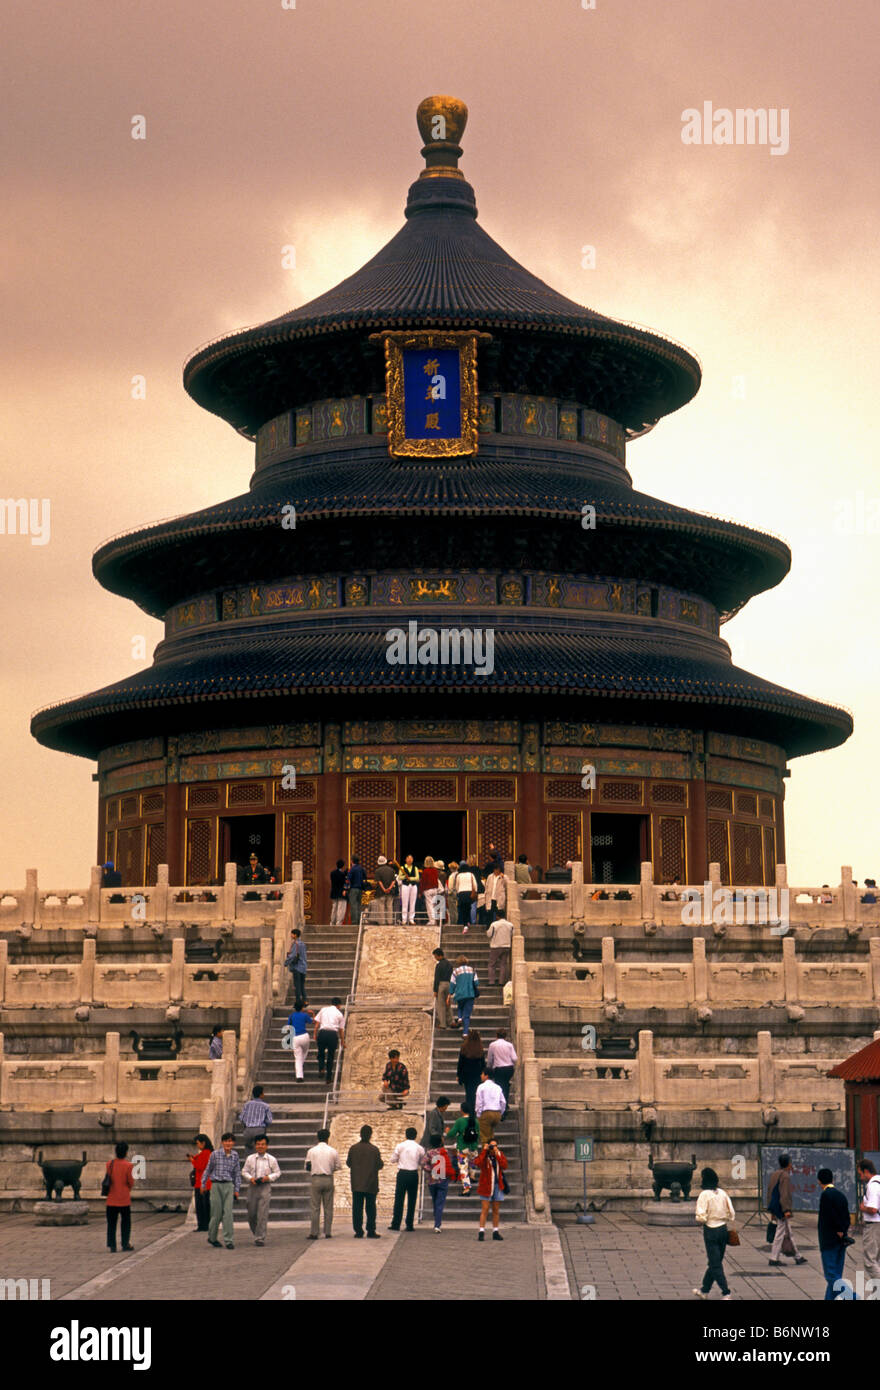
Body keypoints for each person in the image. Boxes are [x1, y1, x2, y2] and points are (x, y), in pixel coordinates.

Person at [692, 1167, 735, 1299]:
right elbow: (731, 1212)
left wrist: (703, 1219)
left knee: (715, 1263)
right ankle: (704, 1290)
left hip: (710, 1229)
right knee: (715, 1261)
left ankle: (726, 1292)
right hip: (723, 1229)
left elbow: (700, 1216)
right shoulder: (722, 1193)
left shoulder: (704, 1195)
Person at [817, 1167, 855, 1299]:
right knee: (836, 1276)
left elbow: (830, 1217)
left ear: (819, 1181)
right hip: (841, 1241)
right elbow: (847, 1217)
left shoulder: (825, 1195)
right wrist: (843, 1230)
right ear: (833, 1179)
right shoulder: (841, 1195)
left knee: (831, 1276)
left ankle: (852, 1296)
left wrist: (838, 1229)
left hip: (829, 1241)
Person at [766, 1153, 807, 1266]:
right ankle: (774, 1258)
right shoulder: (785, 1176)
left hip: (775, 1207)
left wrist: (771, 1210)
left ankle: (798, 1256)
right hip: (781, 1208)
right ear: (788, 1164)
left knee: (788, 1231)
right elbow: (785, 1194)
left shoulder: (775, 1174)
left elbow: (770, 1192)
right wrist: (786, 1209)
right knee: (780, 1233)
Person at [241, 1134, 281, 1245]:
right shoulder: (250, 1158)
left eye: (263, 1144)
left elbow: (278, 1172)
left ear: (266, 1146)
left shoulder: (271, 1159)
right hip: (253, 1186)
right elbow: (244, 1171)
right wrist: (250, 1178)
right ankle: (256, 1232)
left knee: (262, 1213)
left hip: (265, 1186)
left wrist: (268, 1178)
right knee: (251, 1214)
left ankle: (260, 1237)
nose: (260, 1146)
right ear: (255, 1146)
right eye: (258, 1144)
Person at [204, 1132, 241, 1248]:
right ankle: (212, 1237)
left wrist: (237, 1189)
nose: (228, 1143)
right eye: (226, 1141)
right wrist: (203, 1183)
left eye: (230, 1141)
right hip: (216, 1185)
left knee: (228, 1213)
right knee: (216, 1213)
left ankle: (229, 1240)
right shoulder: (215, 1154)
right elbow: (208, 1169)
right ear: (222, 1142)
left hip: (229, 1185)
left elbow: (237, 1173)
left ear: (233, 1143)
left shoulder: (235, 1155)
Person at [347, 1124, 383, 1238]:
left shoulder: (353, 1148)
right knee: (371, 1208)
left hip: (357, 1183)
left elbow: (349, 1163)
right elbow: (379, 1165)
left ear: (360, 1134)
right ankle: (371, 1230)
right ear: (370, 1135)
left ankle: (358, 1230)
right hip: (371, 1183)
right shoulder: (374, 1149)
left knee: (357, 1208)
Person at [305, 1128, 342, 1239]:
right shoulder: (333, 1151)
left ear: (317, 1137)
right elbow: (338, 1166)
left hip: (316, 1179)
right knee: (328, 1207)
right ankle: (328, 1231)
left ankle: (314, 1232)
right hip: (328, 1178)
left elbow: (307, 1166)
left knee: (315, 1207)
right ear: (327, 1138)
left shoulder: (311, 1151)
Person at [388, 1127, 425, 1232]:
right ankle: (409, 1224)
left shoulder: (400, 1146)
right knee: (412, 1200)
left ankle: (396, 1223)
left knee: (399, 1199)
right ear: (415, 1136)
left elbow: (392, 1159)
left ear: (406, 1135)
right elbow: (422, 1162)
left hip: (402, 1173)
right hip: (413, 1174)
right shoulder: (420, 1148)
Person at [104, 1140, 135, 1253]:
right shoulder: (128, 1165)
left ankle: (112, 1245)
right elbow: (130, 1182)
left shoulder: (109, 1164)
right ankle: (125, 1243)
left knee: (111, 1223)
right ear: (126, 1152)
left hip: (111, 1199)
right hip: (124, 1199)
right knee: (125, 1222)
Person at [475, 1137, 508, 1240]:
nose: (493, 1148)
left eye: (495, 1145)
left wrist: (497, 1153)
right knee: (485, 1209)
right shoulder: (484, 1156)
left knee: (496, 1210)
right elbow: (478, 1163)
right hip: (486, 1186)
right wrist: (484, 1151)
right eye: (491, 1146)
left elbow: (505, 1165)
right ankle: (481, 1232)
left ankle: (495, 1231)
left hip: (498, 1185)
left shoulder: (499, 1155)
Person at [423, 1140, 456, 1232]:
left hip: (432, 1181)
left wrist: (432, 1170)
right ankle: (437, 1224)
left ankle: (436, 1218)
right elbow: (452, 1163)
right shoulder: (445, 1152)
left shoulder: (429, 1153)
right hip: (443, 1180)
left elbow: (423, 1164)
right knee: (440, 1203)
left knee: (435, 1201)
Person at [447, 1106, 480, 1194]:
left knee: (463, 1168)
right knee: (472, 1163)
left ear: (461, 1110)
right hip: (473, 1147)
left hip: (463, 1147)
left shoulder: (460, 1121)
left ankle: (466, 1188)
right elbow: (478, 1134)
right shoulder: (476, 1121)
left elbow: (451, 1134)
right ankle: (472, 1176)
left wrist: (447, 1131)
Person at [313, 997, 346, 1083]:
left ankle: (321, 1068)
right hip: (332, 1035)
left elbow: (317, 1024)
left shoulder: (323, 1010)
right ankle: (328, 1077)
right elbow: (341, 1030)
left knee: (321, 1053)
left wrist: (315, 1034)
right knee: (330, 1057)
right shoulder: (340, 1014)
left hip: (322, 1033)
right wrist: (342, 1040)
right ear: (339, 1005)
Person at [857, 1158, 880, 1281]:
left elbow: (873, 1209)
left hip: (874, 1226)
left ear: (866, 1171)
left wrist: (863, 1207)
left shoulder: (873, 1186)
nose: (860, 1177)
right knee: (876, 1260)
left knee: (870, 1262)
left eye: (860, 1174)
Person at [457, 1030, 487, 1116]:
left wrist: (458, 1075)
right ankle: (474, 1110)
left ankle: (468, 1111)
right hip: (477, 1075)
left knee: (468, 1093)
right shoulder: (480, 1048)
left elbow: (460, 1063)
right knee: (475, 1093)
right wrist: (483, 1073)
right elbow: (483, 1063)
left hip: (466, 1074)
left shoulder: (464, 1047)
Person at [487, 1029, 517, 1110]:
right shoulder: (509, 1045)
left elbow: (489, 1059)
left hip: (499, 1068)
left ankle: (500, 1106)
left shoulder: (492, 1045)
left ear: (496, 1035)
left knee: (499, 1087)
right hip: (509, 1069)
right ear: (505, 1036)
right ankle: (505, 1104)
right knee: (506, 1085)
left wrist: (489, 1068)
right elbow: (514, 1058)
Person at [188, 1133, 213, 1232]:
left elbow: (200, 1166)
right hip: (205, 1183)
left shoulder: (206, 1153)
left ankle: (203, 1225)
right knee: (204, 1206)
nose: (197, 1146)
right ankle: (204, 1225)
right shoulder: (207, 1153)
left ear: (203, 1143)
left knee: (201, 1207)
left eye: (198, 1143)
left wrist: (192, 1161)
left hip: (202, 1183)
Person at [286, 1000, 315, 1082]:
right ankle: (300, 1067)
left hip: (295, 1037)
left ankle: (299, 1076)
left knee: (298, 1057)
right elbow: (313, 1022)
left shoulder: (291, 1016)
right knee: (304, 1053)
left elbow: (288, 1027)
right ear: (302, 1008)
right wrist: (312, 1014)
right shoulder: (305, 1015)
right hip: (304, 1036)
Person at [475, 1068, 506, 1143]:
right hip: (497, 1113)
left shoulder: (481, 1087)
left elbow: (479, 1102)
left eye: (482, 1074)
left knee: (485, 1138)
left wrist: (478, 1114)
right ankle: (493, 1152)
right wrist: (501, 1112)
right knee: (491, 1135)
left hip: (486, 1112)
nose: (480, 1075)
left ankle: (486, 1154)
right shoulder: (497, 1087)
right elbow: (503, 1102)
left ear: (486, 1076)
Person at [450, 955, 479, 1036]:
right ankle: (465, 1033)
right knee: (466, 1015)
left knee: (460, 1006)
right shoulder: (472, 970)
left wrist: (451, 992)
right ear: (466, 961)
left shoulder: (455, 971)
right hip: (470, 994)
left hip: (460, 994)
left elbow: (452, 983)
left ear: (458, 962)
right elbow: (476, 983)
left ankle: (459, 1018)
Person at [239, 1085, 273, 1154]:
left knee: (248, 1149)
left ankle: (249, 1163)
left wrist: (246, 1123)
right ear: (261, 1095)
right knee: (260, 1150)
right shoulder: (265, 1106)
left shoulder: (247, 1104)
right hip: (259, 1129)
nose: (264, 1094)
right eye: (263, 1093)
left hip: (248, 1130)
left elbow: (241, 1118)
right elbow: (269, 1120)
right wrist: (263, 1123)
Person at [486, 914, 513, 987]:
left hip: (495, 946)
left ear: (497, 916)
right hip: (506, 946)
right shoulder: (510, 925)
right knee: (503, 965)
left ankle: (491, 981)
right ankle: (501, 982)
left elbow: (489, 934)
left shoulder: (494, 924)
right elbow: (512, 934)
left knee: (492, 964)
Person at [285, 928, 308, 1008]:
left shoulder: (295, 944)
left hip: (297, 967)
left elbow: (293, 955)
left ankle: (298, 1003)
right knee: (302, 985)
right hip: (303, 967)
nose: (291, 935)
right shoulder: (303, 944)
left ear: (295, 935)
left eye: (292, 934)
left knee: (297, 986)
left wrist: (286, 962)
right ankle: (305, 1001)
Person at [432, 947, 454, 1028]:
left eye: (435, 956)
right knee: (448, 1004)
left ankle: (443, 1024)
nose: (435, 958)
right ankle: (451, 1021)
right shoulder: (449, 964)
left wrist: (435, 990)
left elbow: (436, 978)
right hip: (448, 984)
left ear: (438, 956)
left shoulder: (439, 965)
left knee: (441, 1005)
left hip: (441, 985)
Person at [373, 855, 398, 924]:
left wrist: (384, 889)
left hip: (380, 892)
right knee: (389, 907)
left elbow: (379, 881)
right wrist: (389, 888)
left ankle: (382, 922)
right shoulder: (391, 870)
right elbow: (394, 881)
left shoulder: (377, 871)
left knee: (381, 907)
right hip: (390, 891)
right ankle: (390, 922)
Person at [455, 861, 478, 934]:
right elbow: (475, 885)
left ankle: (465, 925)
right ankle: (468, 922)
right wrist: (475, 892)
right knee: (468, 908)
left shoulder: (459, 875)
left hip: (461, 893)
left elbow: (457, 886)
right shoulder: (471, 874)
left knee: (463, 909)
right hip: (469, 893)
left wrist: (458, 893)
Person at [419, 855, 441, 924]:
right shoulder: (435, 870)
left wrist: (420, 891)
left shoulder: (425, 871)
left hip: (428, 889)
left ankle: (432, 920)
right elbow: (436, 880)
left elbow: (423, 882)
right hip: (435, 889)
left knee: (429, 906)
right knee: (434, 905)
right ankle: (435, 920)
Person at [398, 855, 419, 925]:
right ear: (406, 859)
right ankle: (404, 919)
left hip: (413, 886)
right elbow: (400, 877)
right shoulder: (402, 868)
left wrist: (410, 878)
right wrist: (405, 877)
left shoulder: (415, 868)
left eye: (411, 858)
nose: (410, 860)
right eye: (408, 858)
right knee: (405, 903)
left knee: (413, 903)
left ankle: (411, 919)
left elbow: (417, 878)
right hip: (405, 886)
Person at [346, 856, 366, 925]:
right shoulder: (361, 868)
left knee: (353, 905)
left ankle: (354, 921)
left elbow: (348, 879)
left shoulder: (352, 869)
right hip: (360, 889)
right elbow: (364, 876)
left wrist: (345, 889)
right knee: (359, 905)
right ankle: (359, 921)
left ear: (352, 861)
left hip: (353, 888)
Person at [329, 858, 347, 926]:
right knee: (340, 908)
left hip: (334, 892)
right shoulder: (342, 874)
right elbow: (343, 883)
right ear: (342, 866)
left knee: (334, 908)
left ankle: (332, 922)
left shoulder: (332, 873)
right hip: (341, 892)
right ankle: (338, 922)